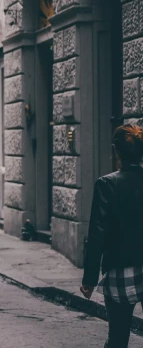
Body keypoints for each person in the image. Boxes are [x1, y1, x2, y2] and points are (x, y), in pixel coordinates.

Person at [81, 124, 143, 348]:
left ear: (116, 150)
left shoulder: (106, 184)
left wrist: (89, 279)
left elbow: (97, 233)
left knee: (118, 338)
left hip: (119, 271)